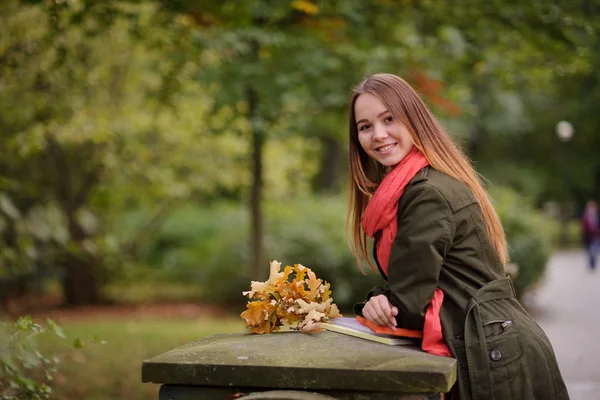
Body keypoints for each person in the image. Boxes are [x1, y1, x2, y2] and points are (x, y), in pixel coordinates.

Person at [347, 73, 569, 400]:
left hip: (494, 359)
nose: (378, 135)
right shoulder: (416, 185)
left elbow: (407, 305)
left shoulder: (426, 194)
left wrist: (375, 303)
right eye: (365, 126)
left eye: (388, 119)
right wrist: (382, 299)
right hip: (495, 345)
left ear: (413, 119)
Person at [582, 199, 599, 270]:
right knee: (590, 251)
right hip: (588, 236)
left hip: (596, 236)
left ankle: (593, 264)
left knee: (594, 250)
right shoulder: (586, 216)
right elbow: (584, 226)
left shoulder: (596, 216)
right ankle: (591, 264)